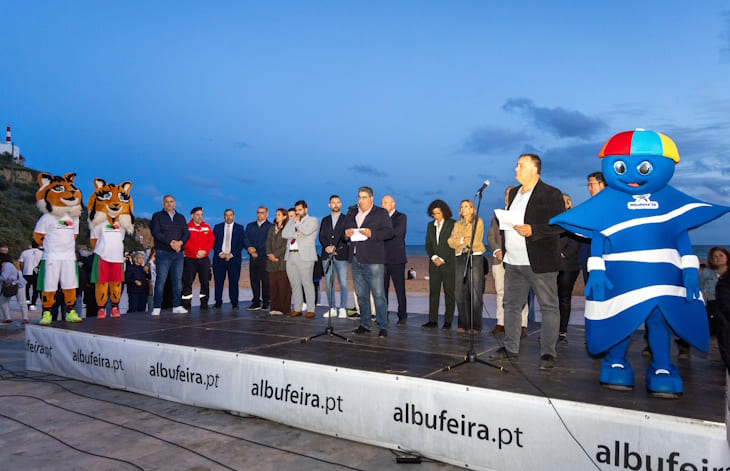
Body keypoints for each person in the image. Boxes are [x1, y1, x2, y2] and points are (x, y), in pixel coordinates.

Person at [488, 153, 565, 370]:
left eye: (520, 165)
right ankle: (510, 348)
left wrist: (534, 230)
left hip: (540, 262)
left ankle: (548, 353)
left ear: (533, 169)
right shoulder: (514, 193)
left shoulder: (551, 193)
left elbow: (560, 225)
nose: (516, 169)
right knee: (511, 306)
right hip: (513, 262)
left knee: (548, 307)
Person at [344, 186, 393, 337]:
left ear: (371, 198)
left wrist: (372, 233)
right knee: (361, 295)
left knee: (378, 295)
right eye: (359, 197)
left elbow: (389, 232)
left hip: (374, 260)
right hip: (356, 259)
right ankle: (364, 324)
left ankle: (382, 326)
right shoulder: (352, 213)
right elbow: (344, 234)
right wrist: (346, 234)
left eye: (364, 197)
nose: (361, 200)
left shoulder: (381, 212)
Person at [487, 186, 528, 338]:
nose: (507, 197)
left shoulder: (523, 213)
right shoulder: (497, 214)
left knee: (521, 293)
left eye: (511, 194)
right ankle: (501, 323)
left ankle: (522, 324)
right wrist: (497, 250)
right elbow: (491, 236)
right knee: (500, 292)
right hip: (499, 260)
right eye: (506, 194)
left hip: (517, 259)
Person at [448, 199, 486, 333]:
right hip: (459, 257)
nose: (463, 209)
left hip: (474, 256)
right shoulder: (457, 224)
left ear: (471, 209)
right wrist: (461, 240)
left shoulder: (478, 222)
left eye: (466, 206)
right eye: (461, 207)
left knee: (475, 292)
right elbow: (450, 242)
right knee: (460, 292)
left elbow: (475, 240)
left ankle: (475, 325)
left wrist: (459, 240)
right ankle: (463, 323)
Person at [150, 195, 190, 316]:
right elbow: (156, 232)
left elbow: (186, 233)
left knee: (177, 281)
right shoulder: (157, 216)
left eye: (171, 201)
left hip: (178, 254)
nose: (169, 203)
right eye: (166, 202)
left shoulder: (180, 217)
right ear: (163, 204)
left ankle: (176, 305)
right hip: (163, 253)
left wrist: (180, 243)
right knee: (161, 280)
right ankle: (157, 306)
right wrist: (171, 242)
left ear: (174, 203)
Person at [283, 200, 319, 319]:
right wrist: (296, 234)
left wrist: (298, 224)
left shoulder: (312, 220)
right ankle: (297, 309)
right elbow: (284, 234)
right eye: (296, 210)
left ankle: (311, 309)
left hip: (305, 256)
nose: (297, 212)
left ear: (305, 209)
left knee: (307, 283)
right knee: (295, 284)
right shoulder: (292, 220)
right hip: (290, 256)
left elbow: (306, 231)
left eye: (300, 210)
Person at [423, 200, 455, 329]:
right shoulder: (430, 225)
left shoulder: (453, 224)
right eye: (434, 214)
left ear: (444, 212)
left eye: (438, 213)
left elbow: (453, 245)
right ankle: (432, 321)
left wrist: (443, 258)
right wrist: (434, 257)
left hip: (448, 264)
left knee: (449, 293)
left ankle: (448, 321)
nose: (436, 216)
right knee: (433, 292)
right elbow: (428, 245)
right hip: (434, 264)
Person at [318, 195, 349, 318]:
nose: (336, 204)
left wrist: (335, 247)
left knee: (343, 283)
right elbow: (321, 236)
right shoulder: (325, 220)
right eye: (333, 202)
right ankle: (332, 308)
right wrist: (327, 247)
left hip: (341, 254)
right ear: (329, 205)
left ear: (340, 204)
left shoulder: (346, 219)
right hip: (327, 255)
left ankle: (343, 308)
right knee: (328, 283)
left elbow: (346, 237)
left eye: (338, 202)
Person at [557, 194, 581, 343]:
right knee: (550, 299)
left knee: (564, 298)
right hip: (552, 263)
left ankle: (562, 331)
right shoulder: (553, 219)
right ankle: (550, 330)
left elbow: (575, 241)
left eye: (563, 201)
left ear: (568, 204)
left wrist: (563, 253)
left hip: (569, 264)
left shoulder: (574, 219)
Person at [381, 195, 408, 325]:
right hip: (382, 258)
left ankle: (402, 315)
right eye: (382, 202)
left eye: (386, 202)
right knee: (382, 290)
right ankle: (383, 314)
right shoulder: (380, 218)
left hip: (397, 259)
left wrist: (379, 234)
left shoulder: (401, 217)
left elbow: (396, 233)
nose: (383, 205)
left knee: (399, 289)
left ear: (393, 203)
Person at [181, 207, 214, 311]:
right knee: (187, 283)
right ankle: (186, 305)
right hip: (190, 260)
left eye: (201, 215)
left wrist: (205, 251)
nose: (200, 217)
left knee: (205, 283)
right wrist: (196, 251)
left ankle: (204, 304)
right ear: (192, 215)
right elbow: (185, 242)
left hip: (204, 260)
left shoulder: (207, 227)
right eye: (198, 215)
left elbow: (211, 241)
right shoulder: (187, 227)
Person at [212, 209, 246, 309]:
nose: (228, 217)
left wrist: (231, 254)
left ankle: (234, 302)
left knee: (234, 281)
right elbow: (213, 242)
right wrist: (220, 253)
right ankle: (218, 302)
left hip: (234, 259)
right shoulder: (217, 227)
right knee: (218, 281)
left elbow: (241, 243)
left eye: (230, 215)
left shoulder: (239, 228)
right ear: (224, 216)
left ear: (233, 216)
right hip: (219, 259)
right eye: (226, 215)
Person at [245, 206, 273, 311]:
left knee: (265, 281)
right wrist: (249, 248)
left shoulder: (270, 227)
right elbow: (245, 238)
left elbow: (269, 242)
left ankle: (266, 302)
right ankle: (256, 302)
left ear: (266, 214)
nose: (259, 214)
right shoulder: (250, 226)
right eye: (258, 212)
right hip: (253, 258)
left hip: (264, 258)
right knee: (254, 280)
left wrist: (257, 251)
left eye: (262, 212)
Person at [265, 209, 291, 315]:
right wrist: (269, 254)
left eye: (279, 215)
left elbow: (286, 245)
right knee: (273, 286)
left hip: (282, 262)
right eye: (276, 214)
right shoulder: (271, 229)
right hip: (271, 262)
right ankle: (274, 307)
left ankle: (284, 309)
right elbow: (267, 242)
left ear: (284, 216)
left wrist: (275, 255)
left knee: (283, 287)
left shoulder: (287, 229)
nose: (277, 216)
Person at [699, 246, 730, 336]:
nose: (718, 258)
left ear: (727, 257)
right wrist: (704, 295)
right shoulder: (706, 272)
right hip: (712, 301)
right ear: (712, 259)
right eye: (715, 257)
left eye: (721, 255)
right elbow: (699, 286)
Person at [0, 253, 29, 324]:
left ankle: (9, 318)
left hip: (18, 285)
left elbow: (3, 277)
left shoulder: (7, 265)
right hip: (14, 284)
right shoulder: (7, 265)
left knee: (20, 301)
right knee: (5, 301)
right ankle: (24, 318)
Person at [18, 241, 42, 311]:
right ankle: (33, 304)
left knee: (26, 288)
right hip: (37, 273)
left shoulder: (24, 252)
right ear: (38, 246)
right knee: (35, 290)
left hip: (26, 272)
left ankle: (27, 300)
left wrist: (22, 270)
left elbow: (21, 263)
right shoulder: (42, 253)